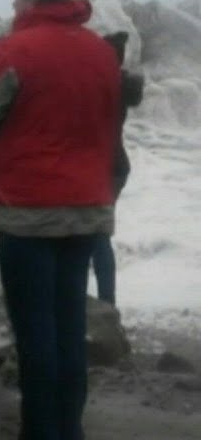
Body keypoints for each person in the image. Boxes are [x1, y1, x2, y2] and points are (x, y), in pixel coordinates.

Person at [0, 0, 121, 440]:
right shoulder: (100, 53)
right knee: (69, 327)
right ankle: (69, 430)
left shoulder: (17, 50)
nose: (11, 3)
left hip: (30, 210)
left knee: (36, 336)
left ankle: (41, 432)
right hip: (88, 208)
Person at [90, 32, 145, 306]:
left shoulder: (99, 86)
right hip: (117, 166)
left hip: (99, 167)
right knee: (99, 235)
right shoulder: (122, 86)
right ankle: (106, 301)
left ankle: (104, 304)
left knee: (92, 236)